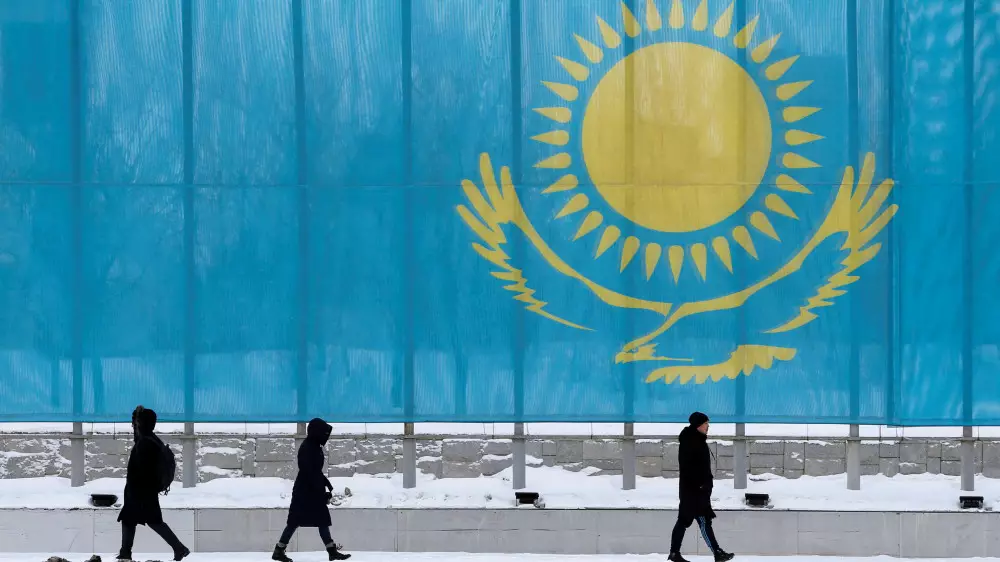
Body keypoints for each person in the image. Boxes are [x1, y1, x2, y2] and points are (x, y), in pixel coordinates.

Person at [117, 406, 190, 562]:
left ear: (142, 423)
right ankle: (125, 553)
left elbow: (144, 470)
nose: (135, 425)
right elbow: (138, 437)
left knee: (149, 521)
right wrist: (135, 417)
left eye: (137, 422)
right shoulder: (150, 439)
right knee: (133, 520)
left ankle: (179, 548)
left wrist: (135, 491)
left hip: (140, 493)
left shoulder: (146, 444)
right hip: (143, 492)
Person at [272, 418, 350, 562]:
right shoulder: (308, 447)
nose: (325, 436)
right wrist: (321, 492)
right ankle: (279, 550)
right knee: (295, 521)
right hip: (305, 491)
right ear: (316, 432)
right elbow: (309, 472)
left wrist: (324, 484)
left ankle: (331, 551)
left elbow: (314, 471)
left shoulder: (313, 446)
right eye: (323, 432)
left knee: (321, 519)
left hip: (310, 489)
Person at [668, 412, 734, 562]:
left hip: (695, 490)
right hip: (694, 491)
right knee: (700, 521)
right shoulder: (691, 441)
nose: (708, 426)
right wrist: (701, 485)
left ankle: (675, 553)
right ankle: (716, 552)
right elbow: (689, 467)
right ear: (698, 425)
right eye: (705, 423)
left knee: (687, 521)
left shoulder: (695, 439)